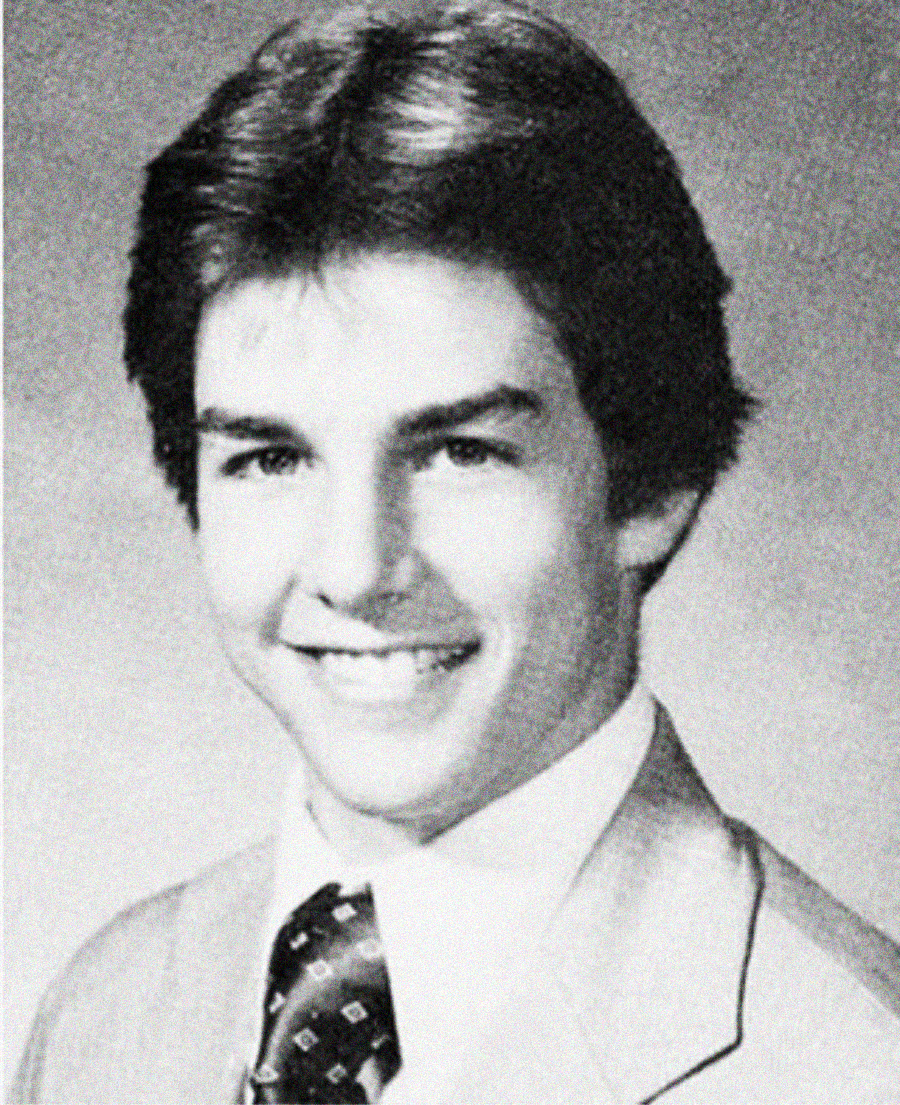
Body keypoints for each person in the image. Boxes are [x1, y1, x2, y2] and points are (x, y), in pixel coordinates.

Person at [10, 2, 899, 1103]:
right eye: (271, 459)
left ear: (655, 488)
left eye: (459, 452)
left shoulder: (846, 1065)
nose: (354, 566)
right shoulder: (108, 1012)